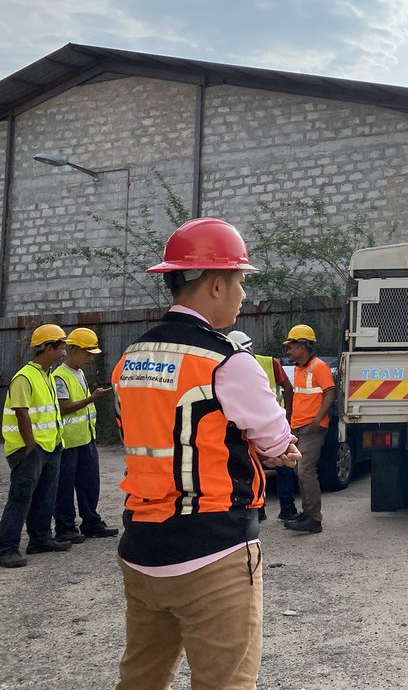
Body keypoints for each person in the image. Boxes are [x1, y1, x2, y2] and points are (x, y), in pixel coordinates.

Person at [112, 217, 300, 689]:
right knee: (225, 682)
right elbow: (277, 441)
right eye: (239, 282)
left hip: (140, 550)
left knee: (141, 678)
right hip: (212, 550)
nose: (242, 295)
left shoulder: (130, 357)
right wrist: (282, 453)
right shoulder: (228, 361)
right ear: (216, 284)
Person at [0, 324, 70, 568]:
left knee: (45, 496)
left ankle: (40, 539)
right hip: (29, 449)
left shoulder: (47, 375)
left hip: (49, 446)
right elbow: (21, 413)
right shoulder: (24, 377)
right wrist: (30, 446)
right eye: (61, 348)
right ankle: (6, 549)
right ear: (48, 348)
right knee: (21, 497)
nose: (64, 353)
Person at [53, 328, 120, 543]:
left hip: (86, 438)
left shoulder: (78, 373)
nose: (91, 358)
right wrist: (92, 398)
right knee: (64, 486)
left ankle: (91, 522)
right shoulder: (59, 376)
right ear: (75, 350)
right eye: (89, 353)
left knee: (90, 483)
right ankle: (65, 528)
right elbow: (63, 408)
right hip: (68, 441)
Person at [228, 329, 298, 521]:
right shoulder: (231, 366)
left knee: (281, 467)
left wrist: (288, 413)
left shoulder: (268, 362)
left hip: (270, 424)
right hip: (250, 427)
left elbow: (288, 387)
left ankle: (286, 508)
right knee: (254, 469)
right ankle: (260, 508)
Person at [282, 323, 335, 535]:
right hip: (299, 426)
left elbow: (329, 393)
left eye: (291, 346)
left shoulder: (319, 367)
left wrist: (317, 419)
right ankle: (307, 514)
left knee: (305, 470)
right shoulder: (298, 368)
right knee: (299, 470)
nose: (288, 351)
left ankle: (313, 518)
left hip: (312, 428)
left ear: (303, 346)